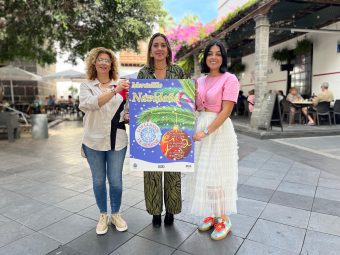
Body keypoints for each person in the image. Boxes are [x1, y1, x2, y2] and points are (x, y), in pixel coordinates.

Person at [187, 39, 239, 241]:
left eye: (218, 53)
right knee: (204, 174)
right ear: (205, 57)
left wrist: (206, 131)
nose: (214, 57)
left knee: (217, 176)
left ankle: (224, 218)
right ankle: (214, 213)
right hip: (201, 125)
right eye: (210, 53)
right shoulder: (199, 80)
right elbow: (191, 105)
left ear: (223, 57)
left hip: (217, 130)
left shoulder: (230, 79)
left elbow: (226, 111)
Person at [79, 47, 130, 235]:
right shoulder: (86, 86)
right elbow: (89, 104)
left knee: (115, 181)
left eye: (107, 60)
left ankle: (115, 213)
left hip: (117, 141)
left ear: (111, 64)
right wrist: (115, 90)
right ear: (94, 62)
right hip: (93, 141)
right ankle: (103, 215)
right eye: (99, 59)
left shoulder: (121, 86)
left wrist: (128, 116)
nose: (103, 63)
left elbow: (125, 110)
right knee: (99, 181)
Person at [137, 33, 185, 228]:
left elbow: (186, 98)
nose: (159, 49)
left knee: (173, 173)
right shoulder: (143, 73)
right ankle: (155, 212)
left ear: (168, 50)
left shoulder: (178, 72)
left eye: (162, 45)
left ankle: (171, 211)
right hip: (150, 128)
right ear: (150, 50)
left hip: (174, 127)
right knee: (151, 174)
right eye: (155, 45)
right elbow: (138, 101)